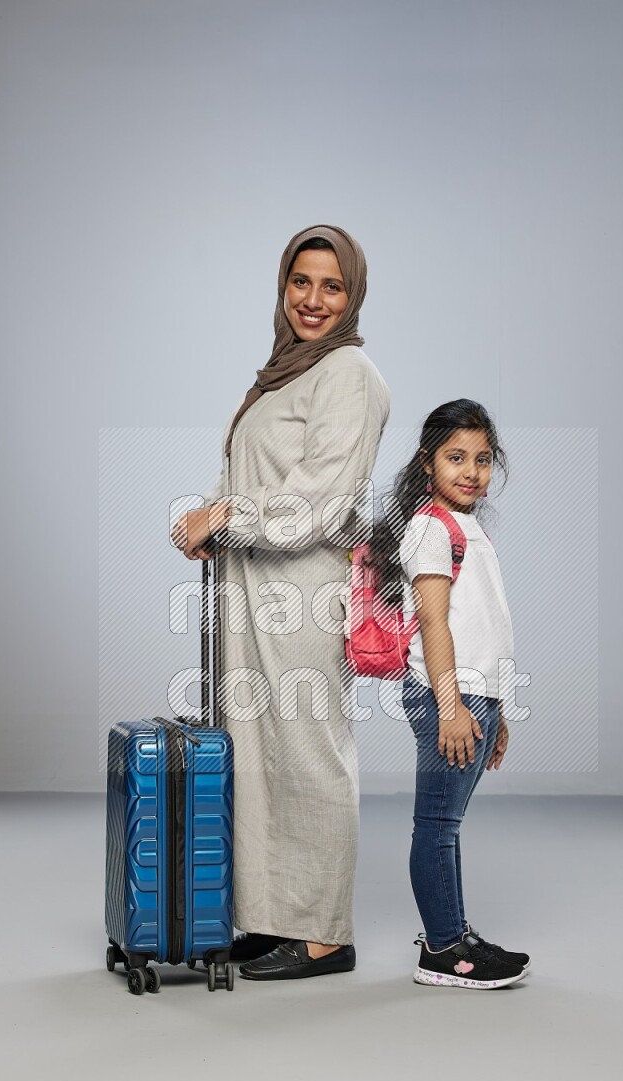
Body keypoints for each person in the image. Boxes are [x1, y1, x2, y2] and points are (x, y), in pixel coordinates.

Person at [172, 225, 390, 980]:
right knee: (256, 758)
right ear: (283, 286)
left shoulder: (350, 375)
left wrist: (227, 517)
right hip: (250, 592)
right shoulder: (281, 373)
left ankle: (325, 933)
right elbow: (252, 480)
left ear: (353, 294)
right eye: (302, 281)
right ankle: (270, 919)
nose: (314, 299)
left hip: (303, 597)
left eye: (332, 286)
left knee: (307, 755)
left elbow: (323, 502)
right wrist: (209, 514)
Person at [366, 399, 530, 989]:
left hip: (472, 694)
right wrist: (452, 705)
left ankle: (453, 934)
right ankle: (442, 951)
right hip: (447, 694)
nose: (471, 471)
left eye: (483, 459)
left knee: (447, 825)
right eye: (455, 457)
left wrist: (497, 708)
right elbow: (434, 624)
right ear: (427, 462)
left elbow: (483, 626)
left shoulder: (467, 527)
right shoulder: (431, 527)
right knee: (436, 823)